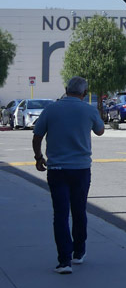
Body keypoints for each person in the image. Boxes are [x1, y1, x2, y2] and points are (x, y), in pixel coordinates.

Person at [32, 76, 105, 274]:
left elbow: (37, 135)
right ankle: (79, 252)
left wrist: (38, 157)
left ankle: (64, 261)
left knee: (61, 214)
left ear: (66, 89)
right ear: (84, 92)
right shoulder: (89, 109)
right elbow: (100, 131)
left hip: (57, 170)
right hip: (81, 169)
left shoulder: (51, 109)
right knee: (79, 211)